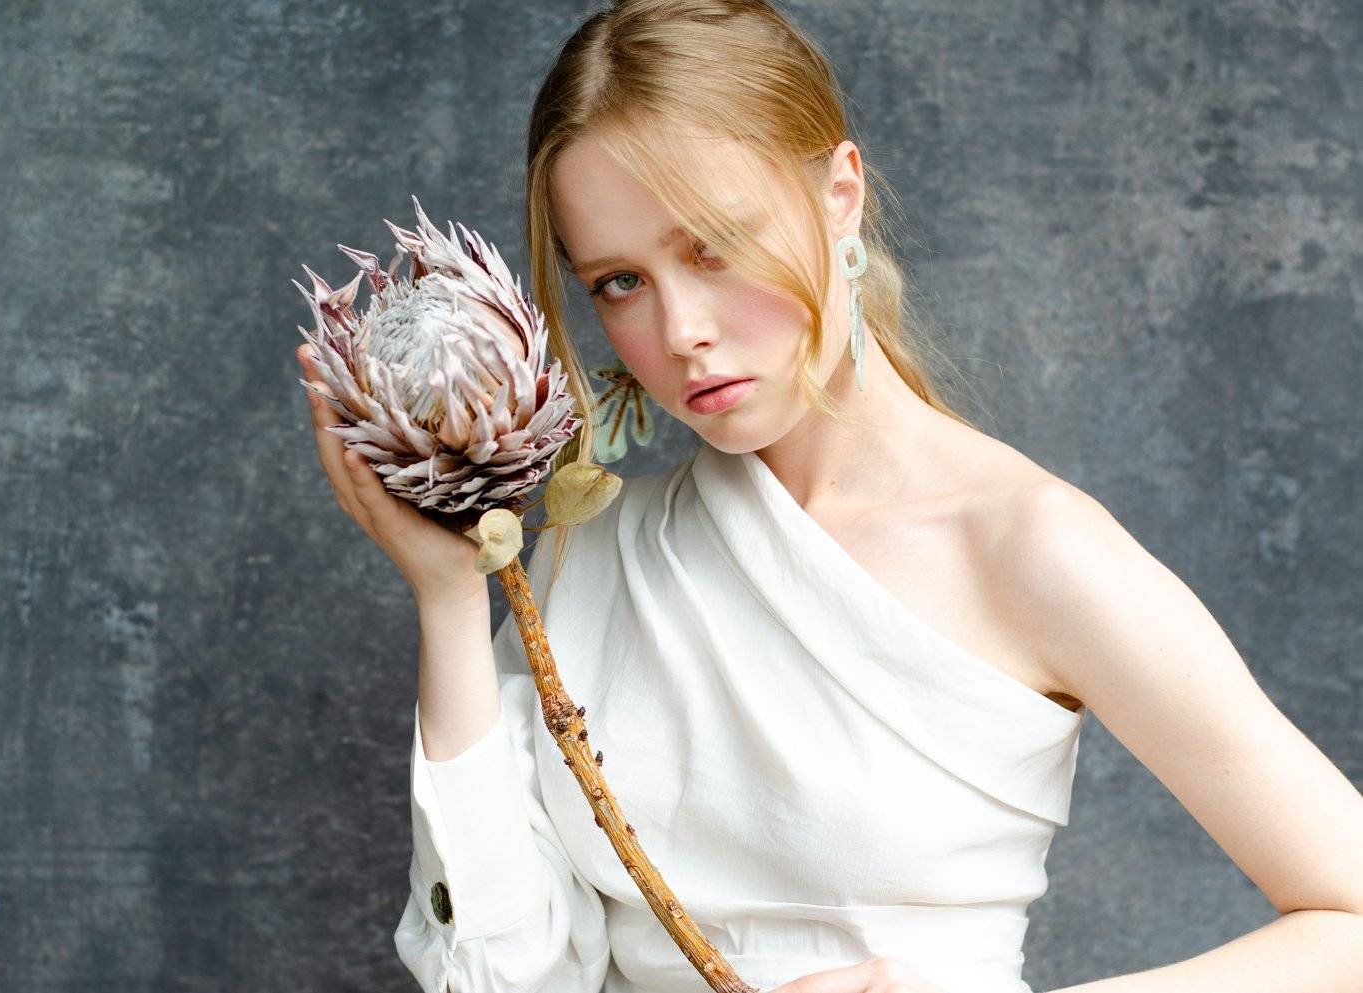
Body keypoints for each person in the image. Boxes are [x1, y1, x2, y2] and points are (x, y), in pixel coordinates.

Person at [298, 2, 1363, 991]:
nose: (680, 332)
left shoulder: (1028, 546)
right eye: (620, 283)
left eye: (715, 248)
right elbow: (498, 973)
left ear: (840, 193)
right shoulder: (597, 551)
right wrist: (449, 598)